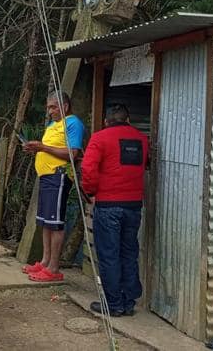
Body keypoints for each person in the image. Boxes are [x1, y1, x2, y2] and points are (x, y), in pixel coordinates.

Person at [80, 103, 148, 317]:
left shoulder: (99, 138)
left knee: (109, 254)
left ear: (106, 121)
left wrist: (90, 192)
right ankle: (128, 302)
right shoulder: (142, 139)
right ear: (128, 120)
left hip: (108, 206)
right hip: (134, 206)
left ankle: (113, 303)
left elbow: (88, 169)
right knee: (129, 253)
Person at [22, 91, 85, 283]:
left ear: (64, 106)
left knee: (55, 222)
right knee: (46, 221)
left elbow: (72, 153)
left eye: (53, 107)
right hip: (46, 176)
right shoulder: (52, 125)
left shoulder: (73, 123)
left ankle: (54, 267)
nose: (50, 111)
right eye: (48, 107)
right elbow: (49, 149)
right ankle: (45, 261)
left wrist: (43, 148)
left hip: (59, 175)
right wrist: (36, 149)